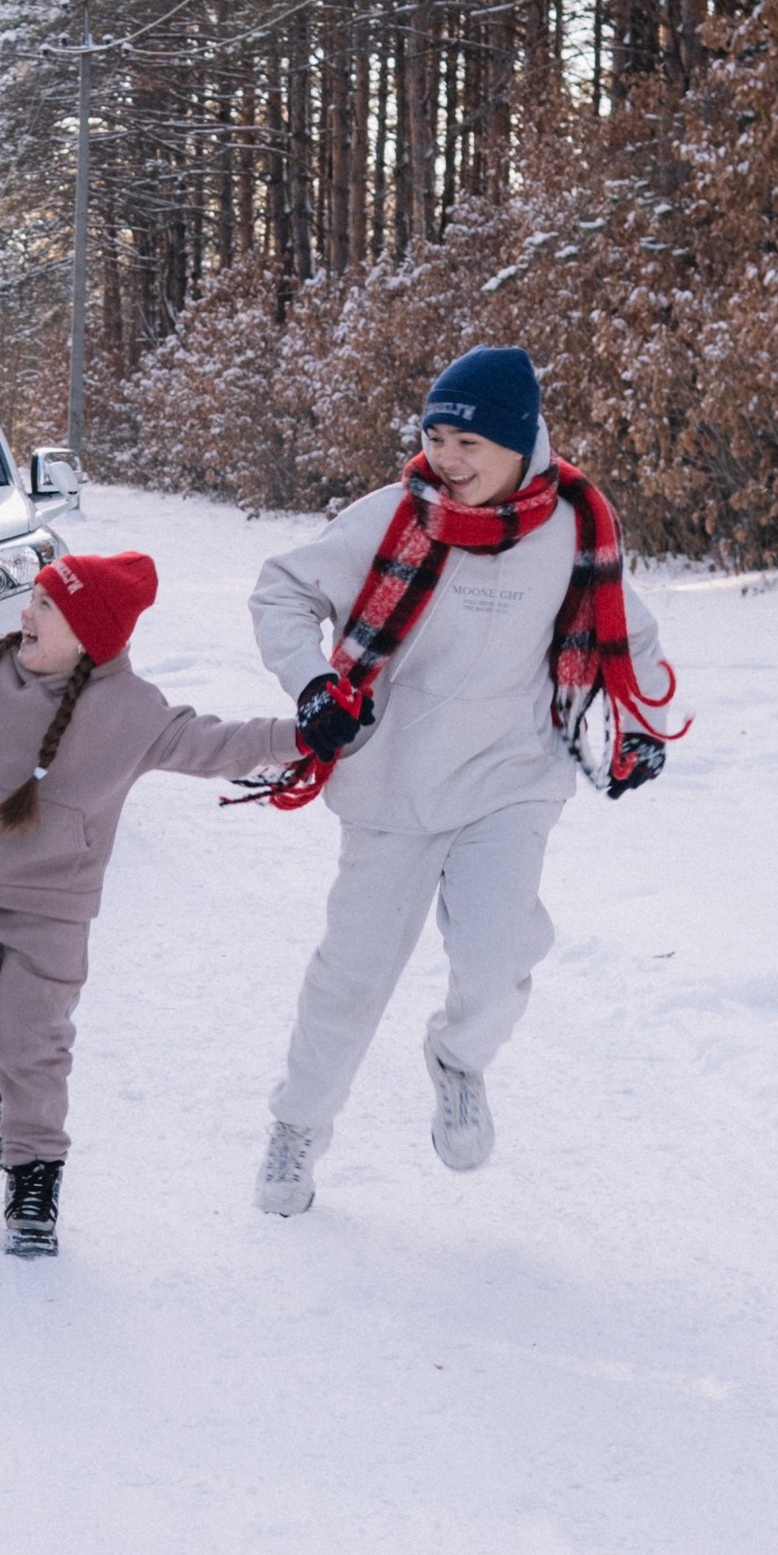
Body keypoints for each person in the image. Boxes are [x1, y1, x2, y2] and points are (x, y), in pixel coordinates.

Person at [244, 342, 681, 1219]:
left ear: (523, 445)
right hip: (395, 785)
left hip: (512, 780)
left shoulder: (576, 529)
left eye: (468, 445)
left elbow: (626, 638)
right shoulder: (389, 518)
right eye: (436, 438)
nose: (446, 459)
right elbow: (280, 593)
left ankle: (459, 1057)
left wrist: (638, 732)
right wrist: (313, 682)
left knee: (495, 955)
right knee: (353, 976)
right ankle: (297, 1127)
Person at [0, 548, 296, 1256]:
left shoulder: (133, 712)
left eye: (47, 605)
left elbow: (216, 742)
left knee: (30, 1047)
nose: (28, 614)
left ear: (89, 635)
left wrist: (302, 736)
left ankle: (34, 1176)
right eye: (34, 599)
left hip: (52, 909)